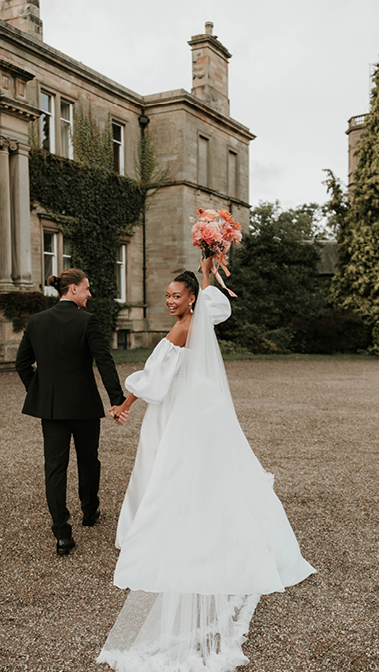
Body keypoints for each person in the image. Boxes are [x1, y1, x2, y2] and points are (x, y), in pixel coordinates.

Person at [97, 257, 315, 671]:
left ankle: (157, 530)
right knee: (212, 471)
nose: (169, 301)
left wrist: (124, 404)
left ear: (190, 299)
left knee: (160, 468)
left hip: (177, 412)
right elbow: (222, 304)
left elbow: (154, 380)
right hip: (205, 411)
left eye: (176, 296)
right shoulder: (204, 320)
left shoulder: (182, 328)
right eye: (166, 296)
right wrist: (206, 266)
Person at [15, 268, 127, 556]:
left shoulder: (36, 322)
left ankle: (62, 534)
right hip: (84, 405)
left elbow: (22, 364)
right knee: (89, 460)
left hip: (51, 409)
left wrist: (39, 393)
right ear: (72, 290)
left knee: (55, 467)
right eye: (86, 288)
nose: (89, 294)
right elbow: (105, 362)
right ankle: (90, 512)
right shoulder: (87, 321)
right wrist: (117, 401)